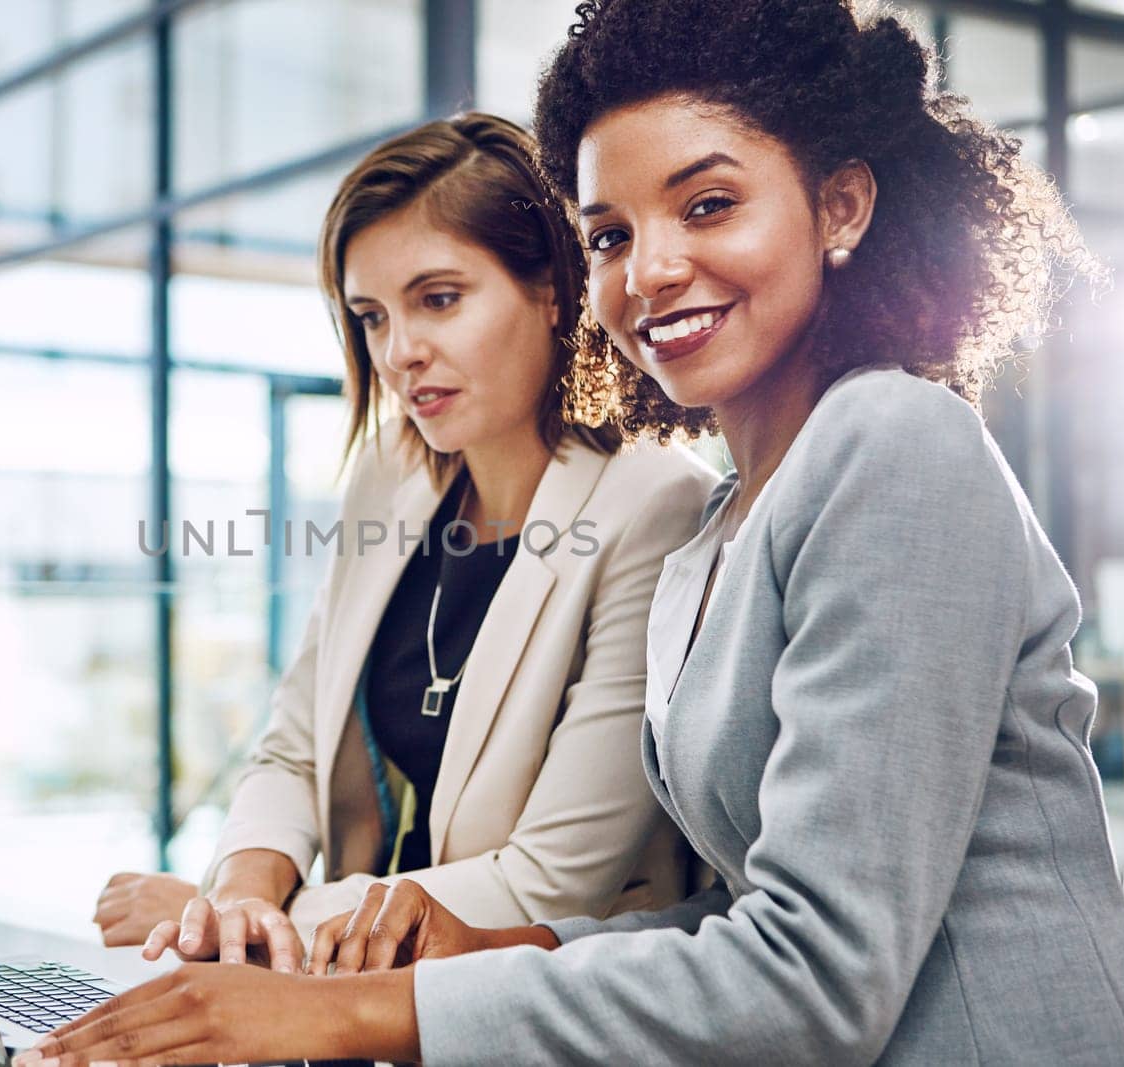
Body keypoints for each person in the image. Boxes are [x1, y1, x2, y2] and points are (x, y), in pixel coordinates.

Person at [16, 2, 1124, 1064]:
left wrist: (347, 1003)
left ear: (841, 206)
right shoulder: (726, 518)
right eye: (609, 232)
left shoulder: (893, 440)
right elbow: (743, 912)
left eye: (706, 204)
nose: (651, 269)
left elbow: (820, 973)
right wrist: (503, 950)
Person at [92, 113, 716, 974]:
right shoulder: (392, 471)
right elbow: (295, 740)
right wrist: (236, 894)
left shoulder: (657, 506)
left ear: (552, 289)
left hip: (532, 1009)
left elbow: (551, 885)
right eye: (372, 317)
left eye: (439, 299)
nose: (399, 352)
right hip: (357, 1004)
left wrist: (274, 922)